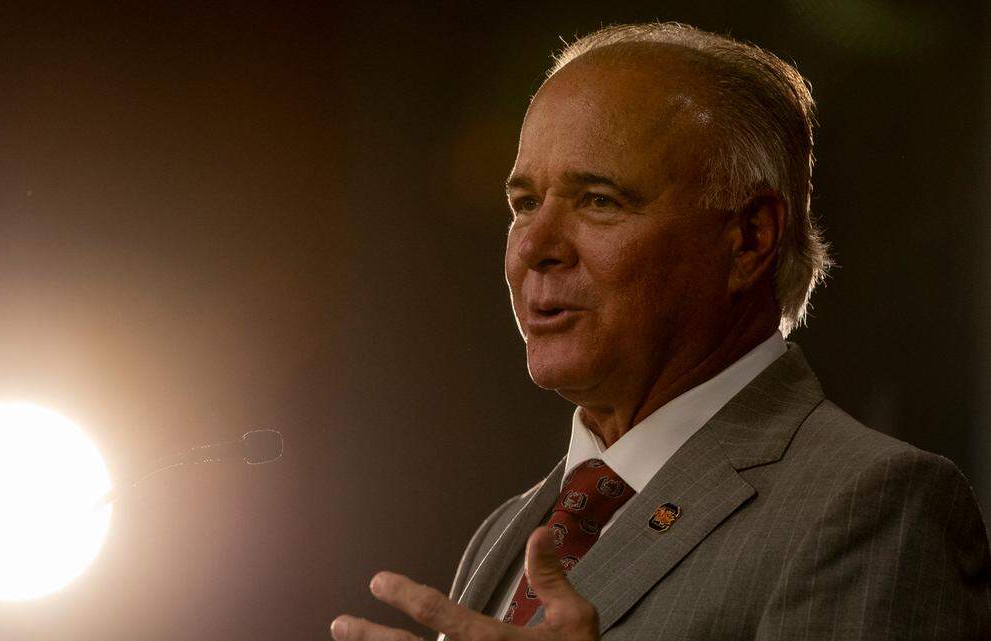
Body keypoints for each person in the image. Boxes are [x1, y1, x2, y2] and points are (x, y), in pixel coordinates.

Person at [330, 22, 991, 640]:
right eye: (524, 203)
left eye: (599, 200)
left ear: (749, 239)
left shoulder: (873, 508)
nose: (535, 244)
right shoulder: (507, 531)